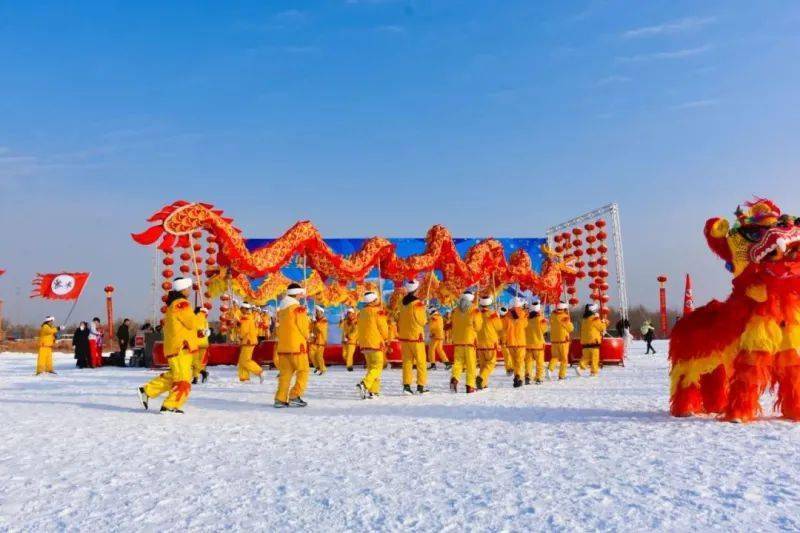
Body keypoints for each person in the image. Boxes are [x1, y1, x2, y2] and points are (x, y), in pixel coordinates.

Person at [138, 278, 198, 413]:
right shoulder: (182, 304)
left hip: (178, 346)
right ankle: (170, 405)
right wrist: (200, 315)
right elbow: (191, 323)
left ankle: (148, 390)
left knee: (177, 376)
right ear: (183, 289)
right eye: (188, 287)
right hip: (181, 347)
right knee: (183, 380)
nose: (189, 289)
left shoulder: (174, 304)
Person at [274, 283, 311, 408]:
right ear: (298, 293)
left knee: (285, 374)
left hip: (283, 346)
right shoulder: (297, 309)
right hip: (297, 346)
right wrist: (308, 336)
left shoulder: (281, 311)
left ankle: (280, 399)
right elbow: (303, 327)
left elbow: (277, 329)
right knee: (304, 370)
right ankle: (295, 395)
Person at [356, 290, 390, 399]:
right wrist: (386, 337)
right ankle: (365, 384)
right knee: (377, 367)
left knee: (371, 368)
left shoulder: (361, 312)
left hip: (365, 344)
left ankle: (373, 391)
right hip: (375, 343)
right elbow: (383, 328)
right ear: (374, 300)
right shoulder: (377, 312)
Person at [397, 279, 429, 395]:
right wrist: (424, 309)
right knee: (421, 362)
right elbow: (423, 321)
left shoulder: (402, 302)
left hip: (405, 337)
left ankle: (406, 386)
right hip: (416, 337)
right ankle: (421, 386)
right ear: (416, 289)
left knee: (407, 362)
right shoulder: (417, 304)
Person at [450, 290, 483, 393]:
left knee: (458, 362)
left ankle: (454, 378)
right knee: (471, 364)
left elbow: (453, 324)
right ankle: (470, 386)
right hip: (469, 341)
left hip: (458, 340)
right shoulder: (475, 310)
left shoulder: (455, 310)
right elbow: (478, 327)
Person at [476, 295, 503, 390]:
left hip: (479, 343)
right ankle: (481, 378)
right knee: (490, 364)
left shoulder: (477, 314)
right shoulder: (492, 315)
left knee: (483, 365)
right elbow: (499, 327)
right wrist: (498, 317)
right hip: (490, 342)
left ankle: (483, 383)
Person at [578, 303, 608, 376]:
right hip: (594, 341)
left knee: (586, 358)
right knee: (595, 358)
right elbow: (601, 327)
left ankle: (580, 366)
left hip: (585, 342)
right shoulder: (594, 319)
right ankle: (594, 372)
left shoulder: (584, 319)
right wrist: (604, 323)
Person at [505, 297, 529, 388]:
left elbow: (503, 327)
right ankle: (518, 376)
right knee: (520, 362)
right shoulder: (523, 314)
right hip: (520, 342)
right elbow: (525, 325)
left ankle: (516, 376)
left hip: (510, 343)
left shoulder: (507, 315)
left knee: (515, 362)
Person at [237, 304, 264, 383]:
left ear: (245, 309)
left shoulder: (246, 318)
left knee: (245, 360)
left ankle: (259, 371)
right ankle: (244, 378)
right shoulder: (250, 316)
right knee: (242, 360)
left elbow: (244, 331)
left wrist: (239, 331)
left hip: (248, 340)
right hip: (249, 340)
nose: (241, 310)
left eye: (242, 308)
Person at [547, 302, 574, 380]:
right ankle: (561, 375)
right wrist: (570, 322)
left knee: (555, 357)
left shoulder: (552, 315)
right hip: (563, 341)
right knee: (564, 359)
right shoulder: (564, 317)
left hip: (554, 340)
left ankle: (550, 369)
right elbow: (570, 329)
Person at [526, 301, 549, 384]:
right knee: (539, 363)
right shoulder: (541, 319)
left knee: (529, 362)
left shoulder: (526, 318)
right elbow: (545, 330)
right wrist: (544, 322)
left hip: (528, 344)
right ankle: (538, 378)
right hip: (538, 344)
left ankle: (528, 376)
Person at [192, 307, 210, 384]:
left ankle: (202, 373)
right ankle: (196, 378)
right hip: (204, 343)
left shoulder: (194, 318)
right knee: (199, 361)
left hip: (195, 343)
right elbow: (207, 332)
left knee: (194, 362)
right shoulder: (205, 320)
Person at [310, 305, 329, 375]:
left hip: (321, 341)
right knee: (311, 354)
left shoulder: (324, 320)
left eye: (318, 311)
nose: (316, 313)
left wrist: (315, 322)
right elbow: (311, 328)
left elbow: (321, 329)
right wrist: (311, 321)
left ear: (321, 312)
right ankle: (317, 366)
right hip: (314, 340)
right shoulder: (316, 320)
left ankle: (323, 369)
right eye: (316, 311)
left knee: (319, 356)